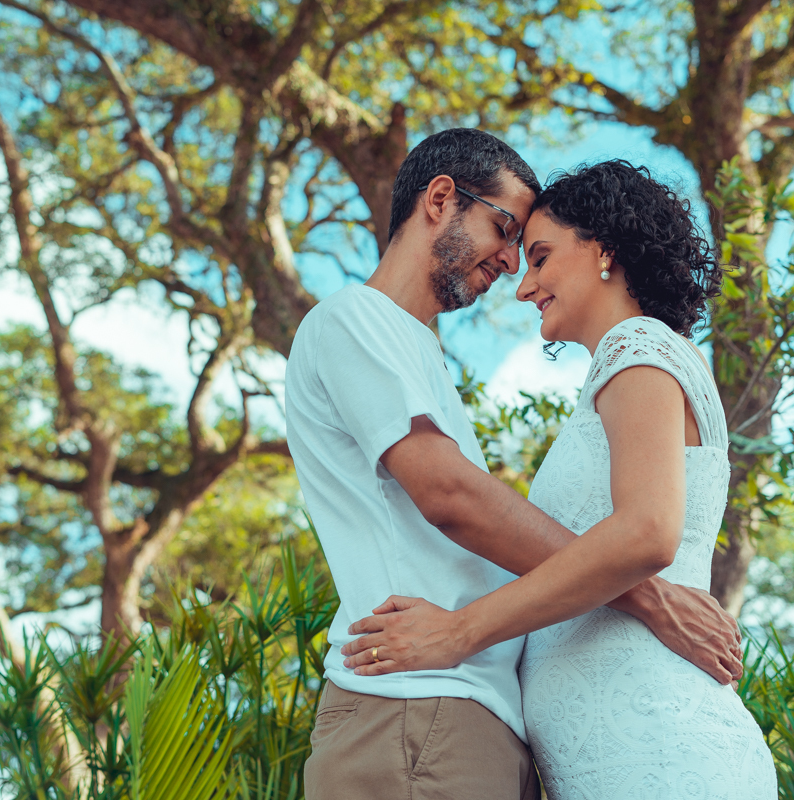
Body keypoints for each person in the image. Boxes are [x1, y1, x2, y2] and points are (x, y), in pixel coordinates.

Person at [285, 130, 743, 800]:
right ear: (441, 199)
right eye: (506, 231)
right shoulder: (356, 320)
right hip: (422, 706)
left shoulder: (425, 360)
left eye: (533, 253)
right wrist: (649, 597)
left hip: (474, 715)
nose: (512, 271)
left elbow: (628, 528)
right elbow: (451, 496)